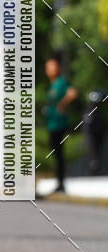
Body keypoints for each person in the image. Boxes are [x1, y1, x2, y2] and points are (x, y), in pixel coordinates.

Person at [44, 54, 77, 193]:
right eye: (48, 67)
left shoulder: (61, 82)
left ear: (58, 68)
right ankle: (59, 182)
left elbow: (73, 93)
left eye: (53, 66)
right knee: (56, 153)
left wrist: (62, 105)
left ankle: (61, 183)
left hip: (59, 124)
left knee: (59, 154)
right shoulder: (52, 84)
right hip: (52, 124)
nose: (50, 69)